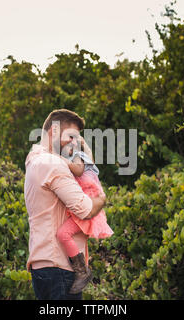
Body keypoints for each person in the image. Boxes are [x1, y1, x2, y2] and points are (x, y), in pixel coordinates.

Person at [24, 109, 107, 300]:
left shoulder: (35, 159)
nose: (73, 142)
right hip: (59, 267)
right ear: (54, 130)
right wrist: (102, 199)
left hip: (45, 265)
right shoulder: (52, 163)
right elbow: (85, 209)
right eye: (70, 136)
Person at [57, 137, 114, 294]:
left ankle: (82, 271)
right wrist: (84, 143)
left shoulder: (76, 158)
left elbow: (78, 170)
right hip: (87, 202)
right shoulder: (84, 156)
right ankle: (81, 268)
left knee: (63, 234)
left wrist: (61, 159)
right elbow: (90, 156)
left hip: (86, 205)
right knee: (65, 234)